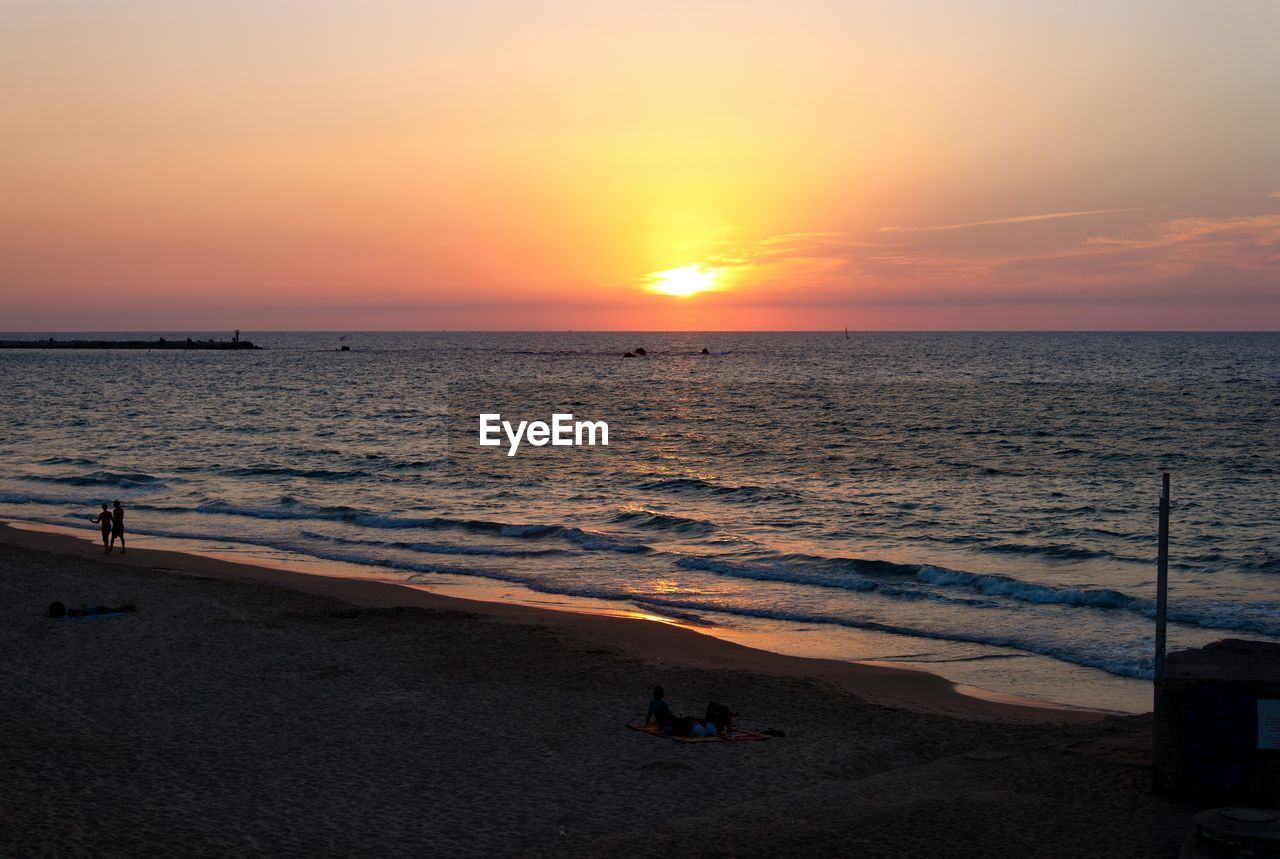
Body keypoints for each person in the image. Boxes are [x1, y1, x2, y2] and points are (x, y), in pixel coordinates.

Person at [47, 601, 136, 618]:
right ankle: (129, 606)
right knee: (114, 610)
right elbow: (82, 612)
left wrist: (80, 613)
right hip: (95, 610)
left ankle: (129, 606)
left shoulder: (70, 613)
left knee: (115, 610)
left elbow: (83, 613)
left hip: (96, 610)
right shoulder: (69, 612)